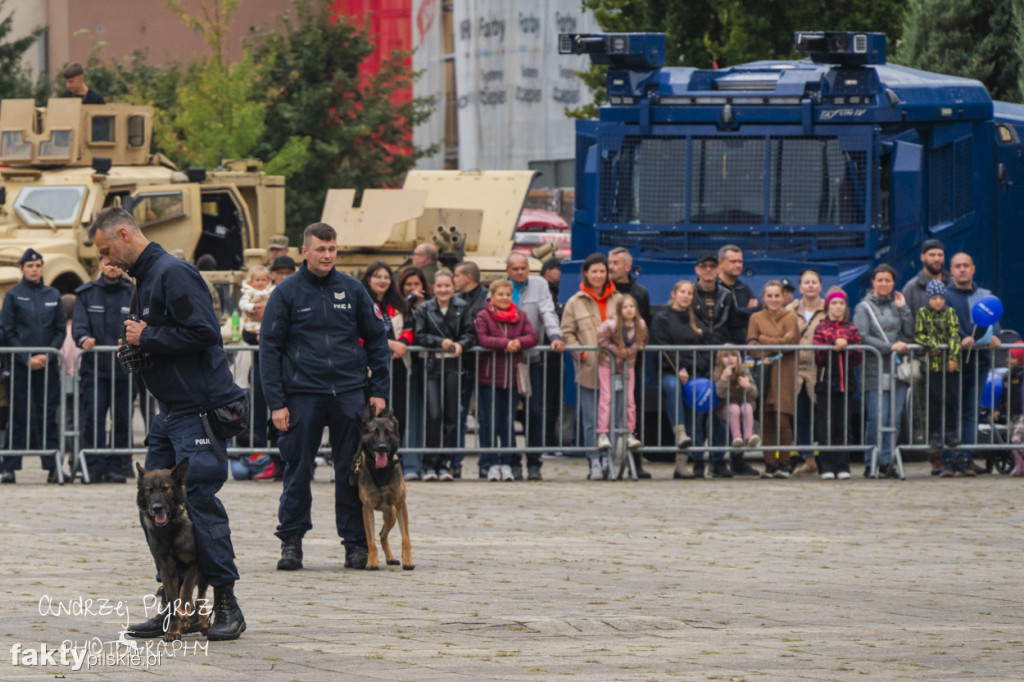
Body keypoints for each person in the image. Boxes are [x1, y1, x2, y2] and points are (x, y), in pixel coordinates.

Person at [88, 207, 245, 640]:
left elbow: (205, 333)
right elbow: (160, 335)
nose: (108, 260)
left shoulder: (173, 273)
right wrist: (135, 349)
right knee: (152, 504)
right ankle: (174, 609)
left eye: (107, 250)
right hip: (169, 412)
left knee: (198, 504)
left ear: (123, 233)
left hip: (197, 410)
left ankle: (227, 606)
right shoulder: (146, 278)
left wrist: (147, 338)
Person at [260, 222, 390, 574]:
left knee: (351, 471)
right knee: (297, 470)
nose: (328, 255)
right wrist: (276, 402)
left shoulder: (352, 289)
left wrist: (379, 391)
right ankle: (291, 542)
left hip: (349, 392)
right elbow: (269, 349)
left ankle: (355, 545)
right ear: (305, 251)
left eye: (332, 249)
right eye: (320, 249)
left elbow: (377, 339)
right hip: (302, 394)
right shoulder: (286, 292)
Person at [0, 249, 66, 484]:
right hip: (20, 366)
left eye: (38, 265)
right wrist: (27, 358)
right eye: (30, 266)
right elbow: (7, 330)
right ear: (22, 269)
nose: (34, 269)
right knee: (18, 414)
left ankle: (53, 467)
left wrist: (47, 357)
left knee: (48, 415)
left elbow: (60, 330)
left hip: (46, 366)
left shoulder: (53, 294)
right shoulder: (13, 295)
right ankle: (9, 466)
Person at [72, 260, 136, 484]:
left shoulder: (133, 294)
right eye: (107, 263)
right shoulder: (87, 294)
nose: (112, 267)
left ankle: (118, 466)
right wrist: (83, 339)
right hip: (95, 369)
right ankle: (94, 466)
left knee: (121, 419)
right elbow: (79, 326)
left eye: (116, 264)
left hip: (124, 370)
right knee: (94, 417)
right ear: (99, 264)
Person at [561, 253, 622, 480]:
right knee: (590, 419)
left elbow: (629, 327)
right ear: (586, 273)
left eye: (602, 271)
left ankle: (609, 460)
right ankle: (593, 460)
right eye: (594, 271)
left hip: (615, 368)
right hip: (589, 369)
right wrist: (582, 353)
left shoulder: (618, 299)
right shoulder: (575, 301)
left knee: (613, 417)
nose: (598, 275)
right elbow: (567, 332)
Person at [506, 252, 566, 480]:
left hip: (532, 359)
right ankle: (511, 462)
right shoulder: (502, 287)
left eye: (524, 268)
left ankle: (534, 462)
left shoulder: (540, 284)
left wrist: (555, 336)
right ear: (508, 271)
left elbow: (547, 311)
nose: (521, 272)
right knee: (507, 413)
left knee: (535, 411)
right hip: (507, 361)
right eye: (516, 269)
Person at [853, 263, 914, 479]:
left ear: (893, 283)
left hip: (897, 371)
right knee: (877, 417)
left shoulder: (897, 304)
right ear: (873, 283)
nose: (884, 284)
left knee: (894, 418)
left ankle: (888, 461)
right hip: (874, 369)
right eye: (880, 280)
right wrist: (889, 347)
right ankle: (872, 460)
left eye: (888, 280)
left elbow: (909, 332)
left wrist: (904, 309)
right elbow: (862, 336)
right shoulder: (863, 307)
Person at [413, 269, 475, 481]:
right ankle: (430, 463)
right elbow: (419, 335)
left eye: (447, 285)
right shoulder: (424, 308)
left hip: (454, 366)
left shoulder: (462, 307)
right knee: (434, 415)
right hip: (431, 367)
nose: (443, 290)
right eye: (439, 286)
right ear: (433, 287)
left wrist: (461, 344)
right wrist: (440, 342)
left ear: (453, 286)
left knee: (451, 416)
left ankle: (445, 463)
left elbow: (470, 334)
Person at [474, 279, 538, 481]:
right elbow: (483, 339)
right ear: (492, 297)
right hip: (489, 377)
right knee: (490, 422)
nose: (504, 298)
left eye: (507, 294)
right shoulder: (483, 316)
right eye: (500, 294)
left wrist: (518, 343)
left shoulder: (520, 316)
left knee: (507, 422)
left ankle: (507, 462)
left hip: (511, 378)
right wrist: (505, 343)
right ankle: (490, 462)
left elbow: (533, 337)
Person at [650, 280, 714, 479]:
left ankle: (684, 463)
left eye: (689, 293)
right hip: (671, 371)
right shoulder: (662, 318)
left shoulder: (698, 319)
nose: (686, 296)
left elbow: (706, 348)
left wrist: (696, 368)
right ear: (674, 293)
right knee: (673, 387)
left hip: (695, 373)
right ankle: (679, 432)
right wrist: (680, 368)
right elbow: (663, 348)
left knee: (694, 415)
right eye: (682, 292)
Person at [945, 252, 1002, 474]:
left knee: (970, 410)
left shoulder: (985, 295)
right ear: (951, 270)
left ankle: (966, 457)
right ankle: (950, 458)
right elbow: (947, 320)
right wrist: (961, 338)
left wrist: (995, 334)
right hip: (953, 362)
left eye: (965, 265)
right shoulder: (946, 296)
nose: (962, 269)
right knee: (951, 410)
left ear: (973, 269)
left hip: (979, 362)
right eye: (957, 266)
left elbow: (993, 321)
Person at [361, 262, 413, 480]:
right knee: (368, 419)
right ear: (368, 279)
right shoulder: (362, 302)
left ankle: (392, 463)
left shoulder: (397, 304)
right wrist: (390, 344)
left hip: (397, 367)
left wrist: (401, 343)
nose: (382, 280)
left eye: (386, 277)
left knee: (397, 416)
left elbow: (409, 328)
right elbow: (362, 334)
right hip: (369, 369)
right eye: (377, 276)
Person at [608, 247, 653, 478]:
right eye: (610, 262)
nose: (611, 267)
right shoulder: (605, 291)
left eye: (616, 263)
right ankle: (606, 462)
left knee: (634, 408)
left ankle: (636, 460)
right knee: (607, 408)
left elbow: (646, 326)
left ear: (627, 266)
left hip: (634, 361)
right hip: (607, 361)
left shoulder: (640, 293)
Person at [747, 280, 800, 478]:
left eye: (777, 295)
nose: (774, 299)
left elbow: (790, 343)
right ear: (764, 298)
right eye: (770, 296)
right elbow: (751, 345)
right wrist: (772, 344)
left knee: (783, 418)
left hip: (785, 372)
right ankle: (770, 463)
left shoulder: (790, 317)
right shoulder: (756, 318)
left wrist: (765, 340)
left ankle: (785, 462)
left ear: (783, 297)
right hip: (764, 372)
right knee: (767, 420)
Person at [812, 288, 862, 480]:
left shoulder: (851, 328)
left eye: (841, 303)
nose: (838, 307)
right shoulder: (821, 327)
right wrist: (834, 342)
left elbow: (858, 354)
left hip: (846, 383)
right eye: (834, 303)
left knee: (844, 425)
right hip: (826, 384)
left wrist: (846, 344)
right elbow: (818, 353)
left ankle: (843, 465)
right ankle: (826, 465)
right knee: (826, 425)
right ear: (828, 306)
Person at [914, 279, 962, 476]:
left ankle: (951, 432)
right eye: (934, 298)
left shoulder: (950, 313)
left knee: (951, 399)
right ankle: (935, 434)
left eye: (941, 298)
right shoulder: (923, 313)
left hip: (949, 367)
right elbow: (918, 334)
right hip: (932, 367)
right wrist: (932, 344)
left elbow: (954, 335)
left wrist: (952, 356)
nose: (938, 302)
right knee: (934, 400)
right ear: (928, 299)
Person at [595, 295, 647, 457]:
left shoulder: (640, 324)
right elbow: (601, 341)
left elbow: (642, 342)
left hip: (628, 365)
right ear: (619, 310)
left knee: (629, 400)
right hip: (607, 364)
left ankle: (630, 432)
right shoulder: (610, 325)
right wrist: (617, 352)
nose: (629, 310)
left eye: (632, 306)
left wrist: (629, 352)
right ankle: (603, 433)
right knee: (606, 397)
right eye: (625, 307)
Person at [237, 264, 275, 478]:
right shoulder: (247, 295)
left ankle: (274, 457)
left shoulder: (274, 293)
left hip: (272, 359)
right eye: (257, 280)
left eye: (263, 279)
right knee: (257, 407)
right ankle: (259, 453)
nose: (260, 283)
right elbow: (245, 329)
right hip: (255, 357)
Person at [787, 269, 826, 475]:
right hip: (795, 370)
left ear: (820, 286)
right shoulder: (790, 309)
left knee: (822, 415)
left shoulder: (829, 308)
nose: (810, 285)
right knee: (800, 416)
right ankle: (808, 458)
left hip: (819, 369)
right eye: (806, 282)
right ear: (800, 287)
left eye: (814, 282)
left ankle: (825, 457)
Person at [453, 261, 488, 479]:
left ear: (468, 277)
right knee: (459, 415)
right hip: (461, 364)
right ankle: (455, 462)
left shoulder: (486, 297)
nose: (454, 279)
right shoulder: (457, 298)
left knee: (484, 416)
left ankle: (486, 462)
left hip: (483, 363)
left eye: (457, 275)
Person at [397, 266, 431, 479]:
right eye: (408, 285)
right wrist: (408, 302)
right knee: (406, 415)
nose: (413, 288)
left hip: (429, 366)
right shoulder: (401, 306)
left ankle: (422, 461)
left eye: (416, 284)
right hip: (405, 365)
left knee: (424, 415)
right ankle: (407, 463)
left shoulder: (431, 305)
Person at [714, 347, 759, 450]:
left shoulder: (744, 371)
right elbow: (719, 394)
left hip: (744, 406)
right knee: (734, 408)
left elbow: (755, 393)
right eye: (726, 356)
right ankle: (737, 438)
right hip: (726, 408)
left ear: (738, 358)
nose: (730, 358)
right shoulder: (718, 372)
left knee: (747, 407)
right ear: (720, 359)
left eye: (733, 355)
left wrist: (748, 386)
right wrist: (723, 379)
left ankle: (749, 436)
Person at [717, 245, 761, 344]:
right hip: (721, 347)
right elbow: (725, 317)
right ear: (720, 263)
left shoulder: (744, 287)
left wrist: (737, 313)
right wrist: (747, 312)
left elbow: (758, 310)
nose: (738, 265)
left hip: (742, 347)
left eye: (740, 261)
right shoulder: (715, 288)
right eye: (733, 262)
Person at [902, 239, 949, 316]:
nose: (937, 259)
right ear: (922, 257)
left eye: (940, 255)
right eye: (932, 255)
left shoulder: (952, 283)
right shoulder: (911, 288)